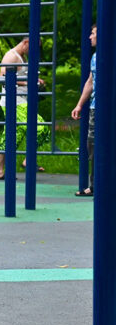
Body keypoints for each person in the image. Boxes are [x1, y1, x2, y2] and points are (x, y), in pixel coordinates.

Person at [0, 37, 48, 180]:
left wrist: (35, 81)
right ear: (26, 42)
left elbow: (21, 76)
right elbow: (3, 77)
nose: (34, 51)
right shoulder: (11, 56)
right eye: (33, 47)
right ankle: (27, 160)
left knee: (12, 136)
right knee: (40, 127)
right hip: (13, 101)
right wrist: (28, 83)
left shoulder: (22, 56)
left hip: (20, 100)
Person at [71, 24, 97, 197]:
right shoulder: (95, 57)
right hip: (95, 107)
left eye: (93, 33)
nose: (90, 37)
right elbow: (90, 81)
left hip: (107, 107)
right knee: (92, 144)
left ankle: (96, 186)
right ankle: (96, 185)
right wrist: (79, 104)